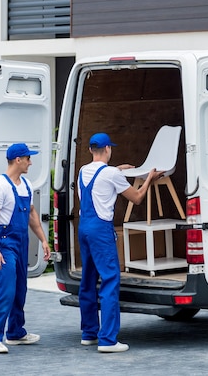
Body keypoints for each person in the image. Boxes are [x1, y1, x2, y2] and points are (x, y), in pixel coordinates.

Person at [77, 132, 164, 353]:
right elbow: (136, 198)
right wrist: (148, 179)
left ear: (90, 150)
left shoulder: (82, 171)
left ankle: (89, 334)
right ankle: (107, 340)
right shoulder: (111, 175)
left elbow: (103, 176)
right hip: (100, 231)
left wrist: (117, 170)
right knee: (109, 280)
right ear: (108, 149)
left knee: (88, 280)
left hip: (84, 227)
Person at [0, 142, 51, 354]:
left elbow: (31, 214)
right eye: (28, 158)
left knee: (20, 289)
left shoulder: (26, 185)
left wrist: (43, 239)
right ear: (18, 160)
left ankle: (15, 332)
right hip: (3, 243)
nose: (31, 162)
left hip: (21, 243)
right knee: (6, 291)